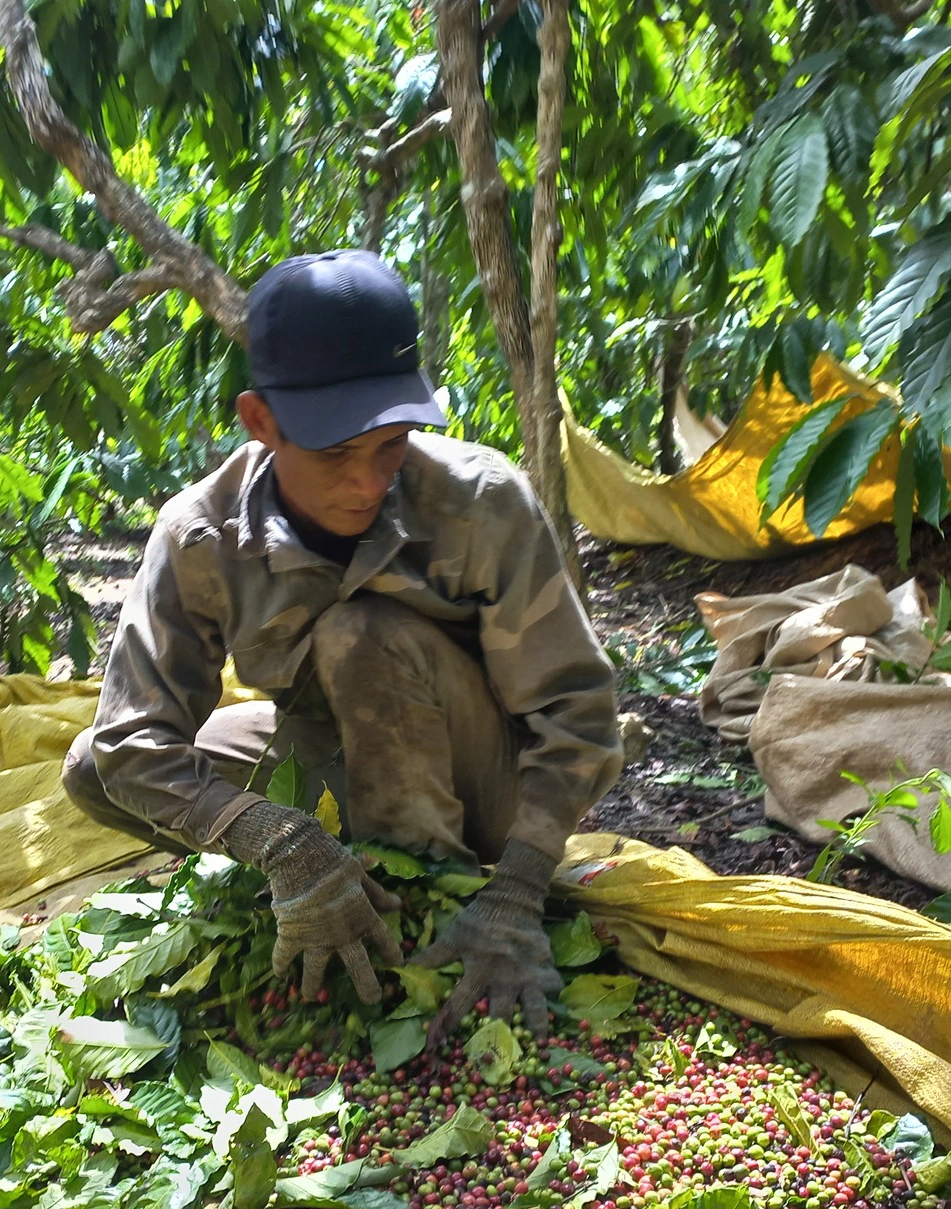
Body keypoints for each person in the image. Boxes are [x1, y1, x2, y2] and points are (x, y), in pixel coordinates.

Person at [64, 250, 622, 1047]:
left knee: (360, 632)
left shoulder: (481, 502)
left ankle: (437, 903)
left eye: (390, 445)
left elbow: (580, 721)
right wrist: (280, 842)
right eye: (334, 454)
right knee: (92, 768)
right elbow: (131, 746)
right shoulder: (201, 534)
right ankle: (337, 881)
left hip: (482, 793)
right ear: (261, 422)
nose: (367, 482)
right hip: (339, 768)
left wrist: (520, 889)